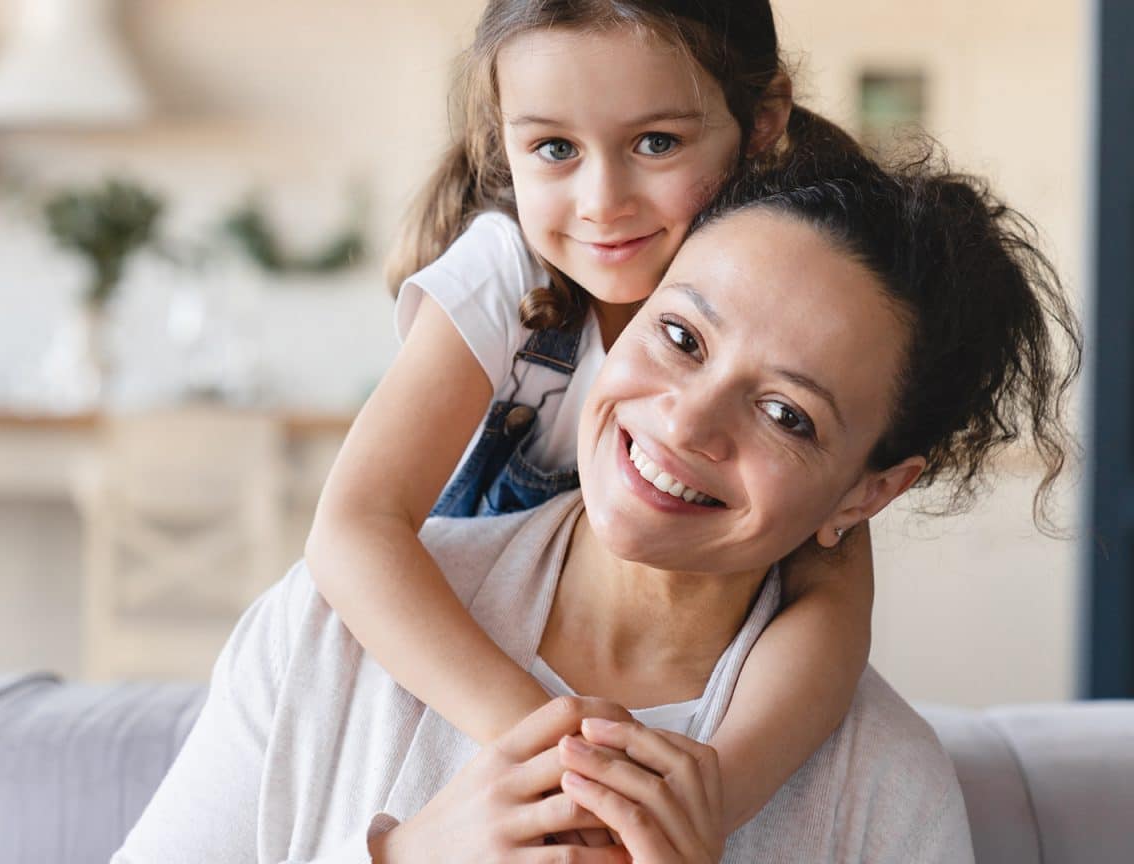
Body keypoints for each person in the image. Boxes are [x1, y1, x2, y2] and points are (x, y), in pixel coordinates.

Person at [113, 136, 1082, 862]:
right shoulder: (331, 636)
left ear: (870, 492)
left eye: (788, 415)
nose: (687, 423)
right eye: (683, 338)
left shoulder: (880, 790)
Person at [305, 0, 879, 829]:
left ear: (761, 121)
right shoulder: (507, 271)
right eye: (554, 148)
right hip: (473, 685)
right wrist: (553, 750)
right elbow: (353, 526)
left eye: (656, 143)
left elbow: (833, 600)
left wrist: (708, 800)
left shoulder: (778, 282)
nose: (602, 200)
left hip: (674, 677)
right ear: (502, 140)